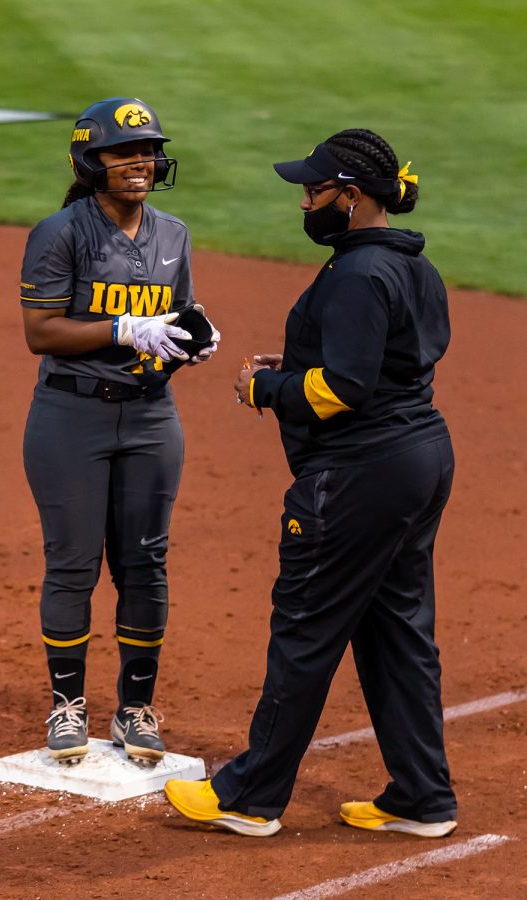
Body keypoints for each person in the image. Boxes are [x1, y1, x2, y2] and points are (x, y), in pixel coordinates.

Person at [164, 128, 457, 837]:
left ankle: (249, 795)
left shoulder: (357, 273)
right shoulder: (411, 264)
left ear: (352, 197)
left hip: (360, 473)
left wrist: (266, 388)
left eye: (315, 190)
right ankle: (422, 796)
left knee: (306, 626)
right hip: (418, 457)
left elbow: (348, 389)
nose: (305, 201)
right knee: (397, 631)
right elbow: (391, 364)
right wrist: (296, 364)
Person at [21, 97, 219, 764]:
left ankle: (135, 708)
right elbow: (40, 331)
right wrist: (124, 328)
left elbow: (179, 313)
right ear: (90, 160)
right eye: (124, 153)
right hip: (71, 417)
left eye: (149, 150)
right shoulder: (60, 232)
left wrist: (193, 337)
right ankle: (67, 707)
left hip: (151, 416)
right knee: (74, 563)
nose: (142, 162)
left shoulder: (174, 234)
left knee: (145, 563)